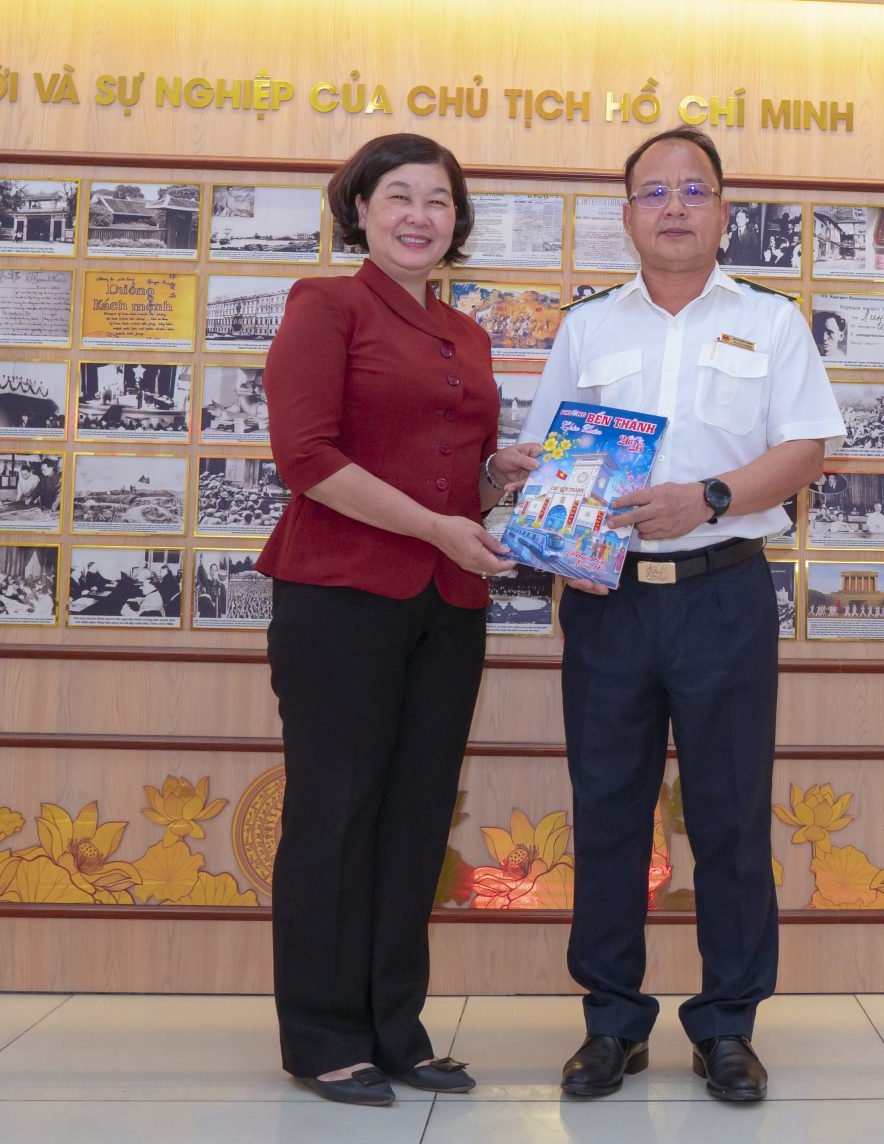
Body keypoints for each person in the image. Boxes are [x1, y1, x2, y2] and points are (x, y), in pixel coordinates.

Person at [494, 126, 841, 1106]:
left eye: (694, 189)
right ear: (628, 216)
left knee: (730, 817)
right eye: (655, 191)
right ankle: (611, 1023)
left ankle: (727, 1026)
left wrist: (710, 499)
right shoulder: (588, 326)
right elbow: (549, 457)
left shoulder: (772, 321)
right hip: (607, 601)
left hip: (723, 594)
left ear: (724, 211)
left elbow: (806, 448)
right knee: (607, 813)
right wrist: (552, 523)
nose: (675, 206)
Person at [255, 133, 536, 1108]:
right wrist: (438, 527)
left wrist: (496, 478)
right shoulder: (325, 306)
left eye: (439, 200)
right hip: (339, 596)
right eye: (400, 197)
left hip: (447, 604)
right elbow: (305, 458)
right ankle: (323, 1036)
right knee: (335, 814)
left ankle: (396, 1030)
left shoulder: (468, 335)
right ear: (361, 211)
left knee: (416, 819)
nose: (421, 216)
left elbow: (456, 478)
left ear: (458, 220)